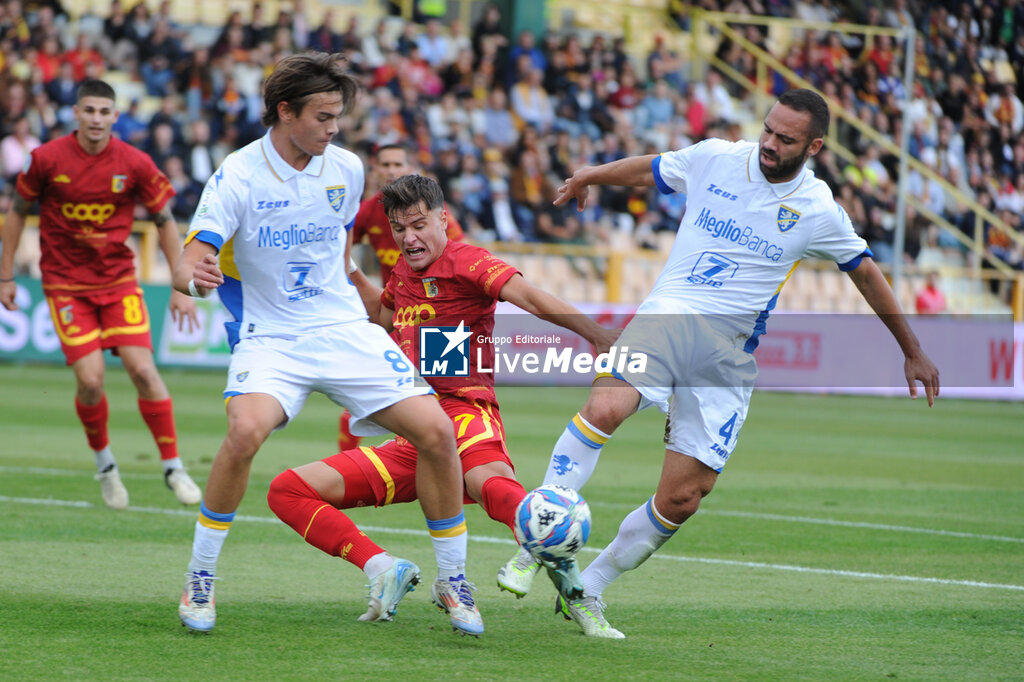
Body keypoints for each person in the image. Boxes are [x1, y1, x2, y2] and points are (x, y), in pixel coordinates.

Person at [497, 88, 941, 638]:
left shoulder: (819, 209)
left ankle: (588, 588)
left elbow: (866, 271)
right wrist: (591, 173)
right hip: (669, 313)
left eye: (786, 139)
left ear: (815, 146)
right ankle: (535, 544)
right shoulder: (717, 158)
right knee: (607, 406)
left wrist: (912, 349)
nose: (770, 144)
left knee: (683, 498)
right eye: (769, 131)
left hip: (727, 354)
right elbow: (653, 169)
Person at [172, 53, 472, 635]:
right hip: (273, 337)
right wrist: (193, 276)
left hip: (341, 331)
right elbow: (192, 254)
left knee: (437, 432)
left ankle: (454, 581)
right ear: (285, 112)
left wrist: (364, 299)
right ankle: (201, 577)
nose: (334, 128)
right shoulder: (237, 174)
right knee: (244, 432)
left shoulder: (348, 169)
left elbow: (337, 250)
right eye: (323, 115)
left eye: (339, 116)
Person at [266, 174, 618, 629]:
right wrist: (349, 267)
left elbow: (528, 296)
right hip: (415, 428)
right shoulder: (403, 274)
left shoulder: (466, 260)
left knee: (491, 486)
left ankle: (564, 576)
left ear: (443, 219)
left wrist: (596, 335)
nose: (408, 238)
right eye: (398, 228)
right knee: (288, 491)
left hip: (466, 414)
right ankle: (383, 568)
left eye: (417, 225)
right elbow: (383, 317)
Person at [0, 78, 202, 510]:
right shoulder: (47, 159)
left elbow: (166, 222)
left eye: (104, 111)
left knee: (145, 373)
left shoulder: (134, 162)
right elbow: (16, 213)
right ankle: (106, 466)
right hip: (66, 286)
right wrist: (5, 276)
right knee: (90, 381)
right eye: (88, 110)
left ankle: (173, 467)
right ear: (76, 112)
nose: (96, 119)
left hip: (118, 283)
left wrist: (180, 284)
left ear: (115, 115)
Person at [339, 143, 465, 450]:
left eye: (398, 164)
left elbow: (459, 258)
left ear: (410, 169)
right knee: (355, 406)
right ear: (375, 170)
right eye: (385, 164)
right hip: (397, 318)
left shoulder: (434, 215)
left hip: (441, 324)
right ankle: (353, 469)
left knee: (449, 409)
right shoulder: (370, 210)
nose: (391, 170)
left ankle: (453, 479)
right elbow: (341, 235)